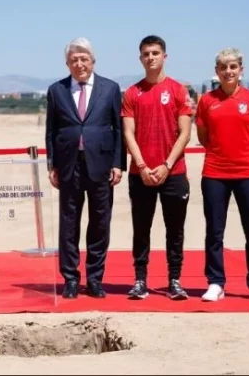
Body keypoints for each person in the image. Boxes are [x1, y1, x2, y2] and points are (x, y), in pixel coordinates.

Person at [45, 37, 124, 299]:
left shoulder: (110, 88)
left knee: (100, 223)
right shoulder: (56, 90)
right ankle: (69, 278)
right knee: (69, 224)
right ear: (67, 64)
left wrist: (117, 163)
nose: (79, 63)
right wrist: (52, 164)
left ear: (93, 61)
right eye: (74, 60)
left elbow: (118, 129)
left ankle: (94, 278)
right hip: (68, 165)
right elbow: (51, 130)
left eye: (84, 59)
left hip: (100, 165)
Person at [195, 47, 249, 303]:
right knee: (214, 231)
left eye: (233, 67)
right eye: (223, 67)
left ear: (241, 70)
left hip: (248, 173)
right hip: (215, 173)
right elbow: (203, 137)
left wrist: (243, 152)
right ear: (216, 71)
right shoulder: (207, 101)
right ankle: (216, 282)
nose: (228, 71)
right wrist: (222, 153)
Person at [121, 35, 193, 301]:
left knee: (175, 230)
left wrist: (166, 165)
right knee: (141, 229)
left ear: (165, 56)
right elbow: (128, 133)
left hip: (173, 173)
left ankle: (174, 280)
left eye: (155, 53)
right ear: (140, 58)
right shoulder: (132, 93)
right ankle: (140, 280)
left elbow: (185, 133)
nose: (150, 58)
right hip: (140, 174)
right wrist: (142, 165)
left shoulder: (178, 90)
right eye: (146, 54)